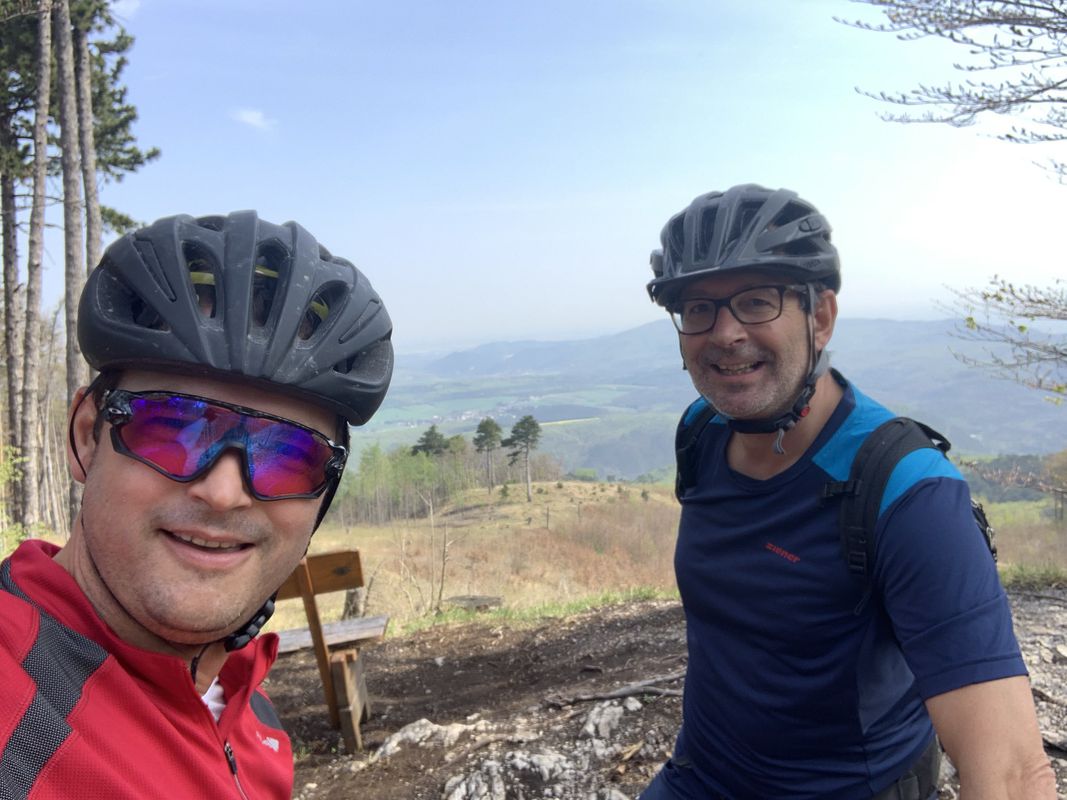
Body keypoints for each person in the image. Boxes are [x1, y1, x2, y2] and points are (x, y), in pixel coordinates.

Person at [639, 185, 1056, 800]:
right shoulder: (701, 434)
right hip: (702, 773)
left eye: (756, 301)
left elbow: (1014, 774)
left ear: (821, 315)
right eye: (698, 308)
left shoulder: (909, 495)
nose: (724, 333)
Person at [0, 211, 393, 799]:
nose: (224, 492)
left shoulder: (243, 699)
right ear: (87, 436)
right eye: (172, 426)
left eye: (288, 455)